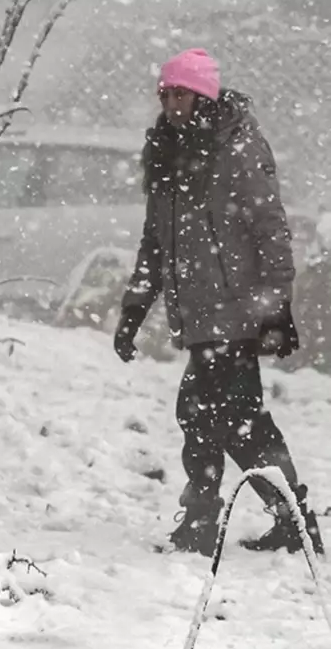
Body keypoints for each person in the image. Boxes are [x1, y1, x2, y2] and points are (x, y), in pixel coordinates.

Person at [115, 47, 321, 557]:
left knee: (219, 416)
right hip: (200, 316)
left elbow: (271, 230)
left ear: (202, 94)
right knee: (216, 417)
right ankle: (269, 518)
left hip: (236, 311)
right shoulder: (166, 152)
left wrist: (276, 308)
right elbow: (155, 242)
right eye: (164, 94)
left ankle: (235, 519)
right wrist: (134, 310)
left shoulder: (236, 146)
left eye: (179, 93)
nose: (170, 103)